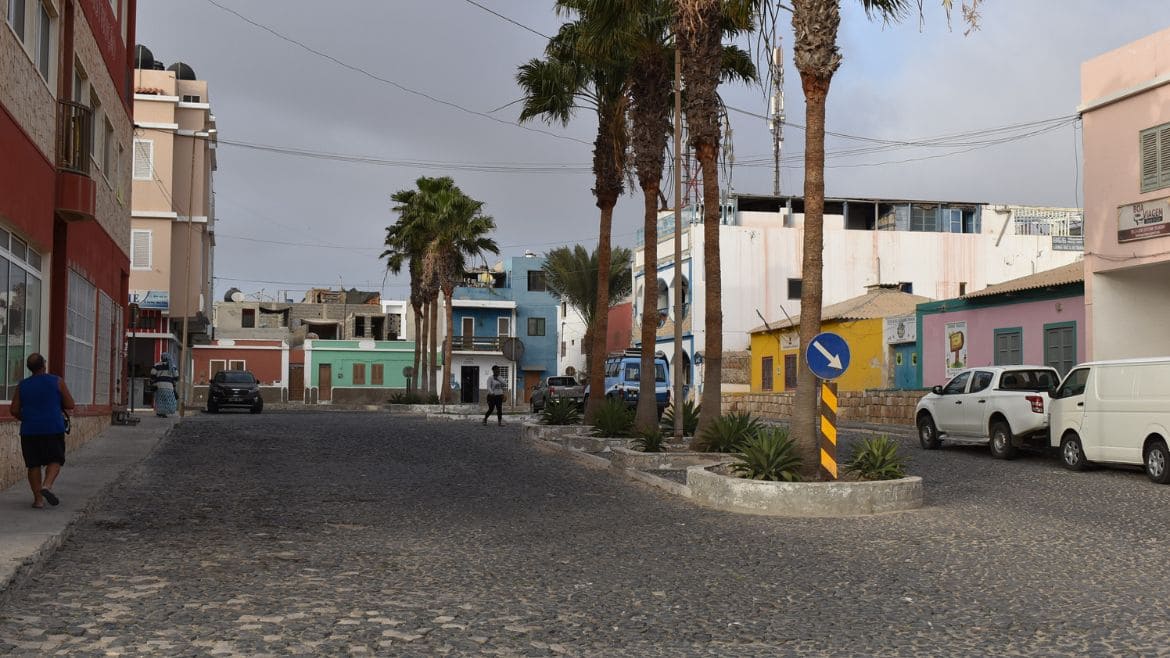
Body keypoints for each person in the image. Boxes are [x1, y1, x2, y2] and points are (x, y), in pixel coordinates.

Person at [9, 353, 75, 509]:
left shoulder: (22, 385)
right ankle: (47, 485)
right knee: (55, 459)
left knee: (33, 464)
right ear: (44, 365)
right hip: (53, 428)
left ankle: (38, 500)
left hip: (29, 430)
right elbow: (70, 404)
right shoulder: (57, 381)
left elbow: (14, 409)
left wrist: (26, 418)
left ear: (29, 368)